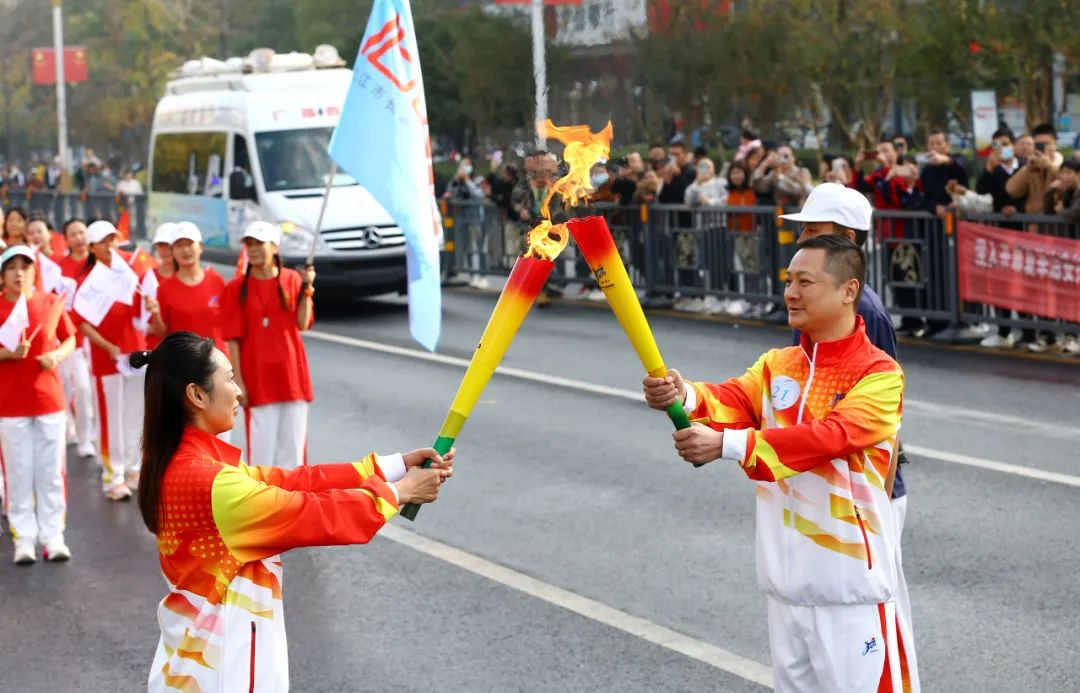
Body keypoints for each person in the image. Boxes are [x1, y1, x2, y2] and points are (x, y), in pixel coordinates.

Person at [643, 235, 919, 692]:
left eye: (805, 281)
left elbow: (831, 437)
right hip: (786, 587)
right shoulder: (778, 365)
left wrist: (729, 445)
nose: (790, 292)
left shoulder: (879, 374)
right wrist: (683, 392)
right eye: (789, 281)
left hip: (849, 589)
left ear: (849, 291)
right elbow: (728, 399)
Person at [135, 332, 453, 692]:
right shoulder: (211, 484)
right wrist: (400, 492)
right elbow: (313, 514)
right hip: (225, 667)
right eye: (228, 379)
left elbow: (296, 481)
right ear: (196, 395)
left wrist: (394, 466)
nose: (238, 390)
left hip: (201, 657)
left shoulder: (188, 466)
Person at [780, 182, 910, 529]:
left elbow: (889, 416)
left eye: (813, 230)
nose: (800, 238)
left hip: (863, 496)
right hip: (824, 485)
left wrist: (878, 502)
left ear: (847, 240)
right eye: (803, 228)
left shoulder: (865, 312)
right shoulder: (811, 302)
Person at [0, 246, 77, 563]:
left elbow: (69, 338)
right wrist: (8, 354)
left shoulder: (50, 303)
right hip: (10, 404)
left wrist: (56, 356)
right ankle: (24, 539)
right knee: (18, 473)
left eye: (26, 267)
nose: (19, 273)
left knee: (50, 473)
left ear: (35, 271)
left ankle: (53, 536)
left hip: (48, 400)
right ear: (2, 275)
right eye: (12, 267)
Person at [222, 221, 315, 468]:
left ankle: (293, 503)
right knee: (262, 456)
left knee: (293, 453)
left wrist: (307, 290)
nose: (253, 250)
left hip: (291, 376)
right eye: (249, 244)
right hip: (258, 379)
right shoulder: (235, 289)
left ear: (274, 247)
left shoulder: (293, 279)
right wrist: (238, 381)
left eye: (259, 244)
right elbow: (232, 339)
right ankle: (265, 504)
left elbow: (303, 323)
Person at [72, 220, 147, 501]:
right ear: (92, 247)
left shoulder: (130, 270)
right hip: (107, 358)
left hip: (136, 353)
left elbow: (143, 307)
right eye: (103, 241)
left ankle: (132, 467)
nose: (109, 245)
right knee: (110, 418)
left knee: (134, 413)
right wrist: (107, 346)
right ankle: (111, 475)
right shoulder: (88, 280)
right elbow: (81, 322)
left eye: (112, 239)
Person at [146, 222, 229, 407]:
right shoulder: (166, 289)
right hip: (183, 365)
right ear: (173, 251)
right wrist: (157, 314)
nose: (185, 250)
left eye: (189, 244)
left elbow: (228, 323)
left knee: (221, 424)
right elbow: (161, 333)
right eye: (179, 245)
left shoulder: (216, 281)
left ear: (200, 247)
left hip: (217, 362)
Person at [56, 218, 97, 458]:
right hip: (72, 339)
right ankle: (81, 436)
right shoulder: (58, 268)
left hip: (100, 338)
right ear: (66, 239)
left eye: (82, 232)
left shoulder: (99, 264)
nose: (79, 238)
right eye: (73, 234)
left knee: (92, 390)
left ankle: (91, 436)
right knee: (79, 388)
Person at [919, 129, 969, 220]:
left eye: (939, 143)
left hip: (958, 218)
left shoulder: (957, 161)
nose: (935, 147)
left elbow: (962, 169)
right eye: (931, 144)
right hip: (934, 221)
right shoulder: (926, 170)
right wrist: (935, 207)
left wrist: (946, 160)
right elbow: (924, 197)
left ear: (948, 145)